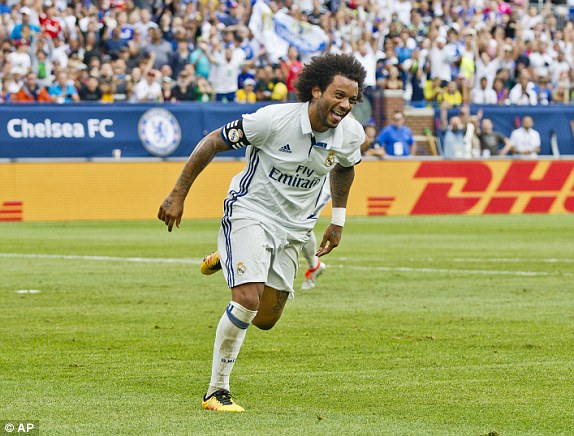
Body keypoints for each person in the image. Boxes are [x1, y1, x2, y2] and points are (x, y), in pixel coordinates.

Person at [158, 53, 366, 412]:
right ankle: (216, 391)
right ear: (316, 91)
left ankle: (227, 257)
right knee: (248, 300)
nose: (345, 105)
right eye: (339, 95)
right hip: (251, 211)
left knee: (267, 319)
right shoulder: (271, 120)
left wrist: (339, 219)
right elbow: (212, 142)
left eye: (352, 99)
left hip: (295, 227)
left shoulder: (351, 134)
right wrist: (178, 194)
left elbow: (345, 169)